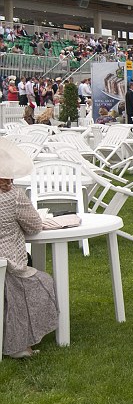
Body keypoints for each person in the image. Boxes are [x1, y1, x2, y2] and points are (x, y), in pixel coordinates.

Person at [0, 138, 59, 358]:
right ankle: (18, 342)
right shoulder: (13, 196)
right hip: (8, 264)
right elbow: (34, 225)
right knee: (43, 282)